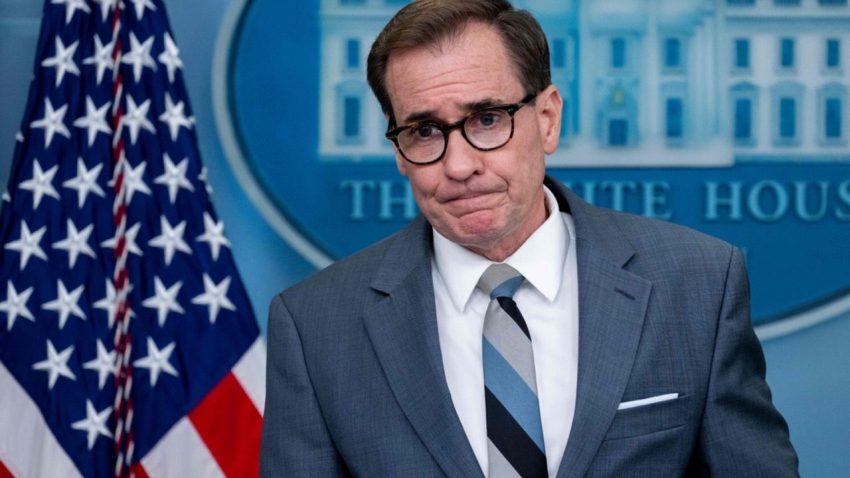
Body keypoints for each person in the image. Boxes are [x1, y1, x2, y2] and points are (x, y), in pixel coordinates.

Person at [259, 1, 799, 476]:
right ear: (398, 151)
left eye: (487, 119)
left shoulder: (697, 286)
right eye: (424, 132)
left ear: (547, 119)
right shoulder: (314, 328)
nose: (460, 165)